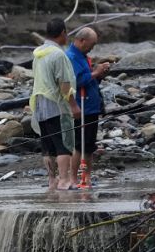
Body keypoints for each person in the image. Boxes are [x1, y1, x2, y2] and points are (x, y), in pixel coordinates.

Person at [30, 17, 80, 192]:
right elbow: (64, 84)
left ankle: (52, 181)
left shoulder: (38, 53)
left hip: (40, 106)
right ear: (63, 33)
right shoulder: (58, 54)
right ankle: (65, 181)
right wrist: (73, 105)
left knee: (48, 147)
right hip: (56, 106)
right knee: (63, 145)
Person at [66, 26, 110, 189]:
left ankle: (87, 177)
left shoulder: (83, 56)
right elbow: (75, 81)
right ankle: (73, 179)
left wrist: (99, 74)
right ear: (81, 40)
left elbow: (89, 79)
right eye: (91, 44)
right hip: (81, 106)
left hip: (91, 106)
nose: (92, 47)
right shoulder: (70, 57)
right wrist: (95, 72)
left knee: (89, 145)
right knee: (79, 144)